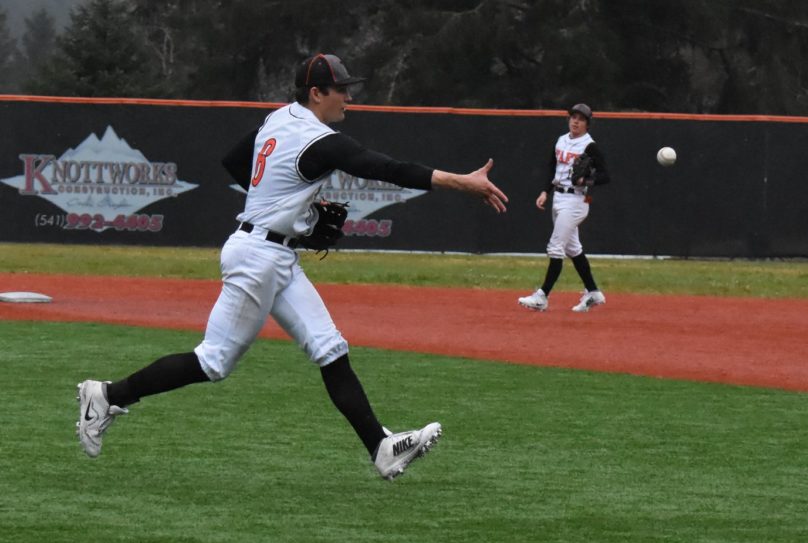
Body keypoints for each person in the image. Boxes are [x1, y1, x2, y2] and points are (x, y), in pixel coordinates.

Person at [76, 53, 508, 481]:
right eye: (341, 90)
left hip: (274, 253)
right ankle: (107, 394)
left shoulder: (278, 118)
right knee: (213, 362)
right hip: (258, 257)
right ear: (316, 93)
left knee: (330, 348)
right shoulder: (319, 140)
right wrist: (461, 182)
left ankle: (381, 447)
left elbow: (233, 160)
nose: (348, 99)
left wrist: (279, 205)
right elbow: (386, 168)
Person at [518, 103, 610, 312]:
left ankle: (542, 296)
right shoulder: (561, 140)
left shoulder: (589, 146)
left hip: (576, 202)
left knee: (555, 247)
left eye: (581, 118)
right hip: (558, 198)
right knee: (572, 248)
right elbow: (554, 168)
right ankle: (594, 293)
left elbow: (605, 175)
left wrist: (586, 181)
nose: (575, 121)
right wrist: (545, 191)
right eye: (573, 117)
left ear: (587, 124)